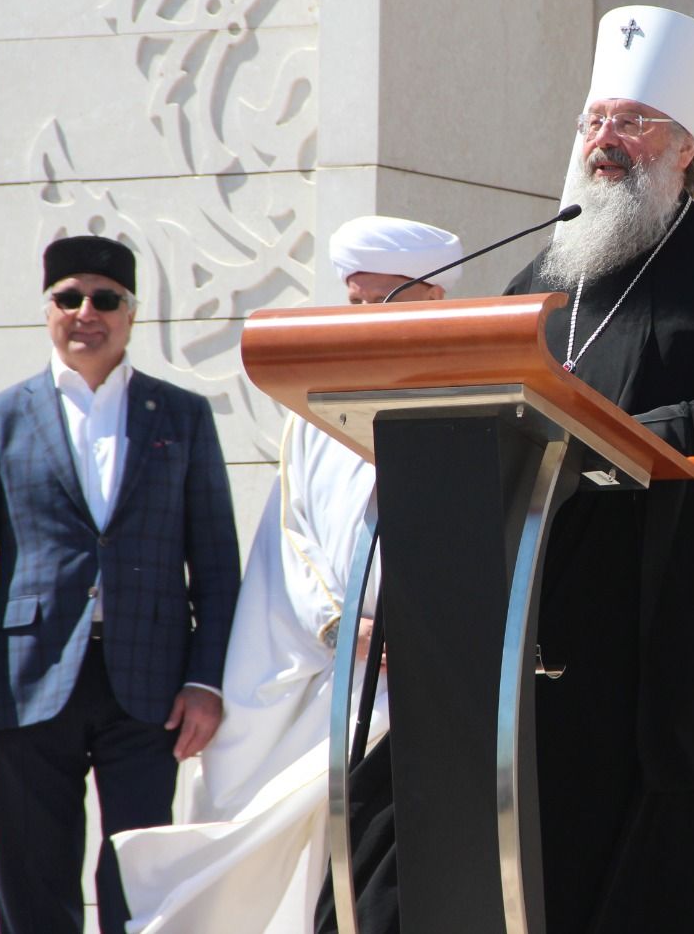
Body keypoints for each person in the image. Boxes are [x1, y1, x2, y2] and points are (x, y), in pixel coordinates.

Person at [503, 4, 694, 933]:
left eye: (631, 123)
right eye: (595, 121)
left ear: (686, 150)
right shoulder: (538, 279)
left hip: (655, 643)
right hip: (533, 630)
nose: (605, 140)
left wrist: (624, 434)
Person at [110, 217, 463, 933]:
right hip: (330, 679)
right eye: (353, 303)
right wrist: (343, 627)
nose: (359, 320)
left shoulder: (474, 395)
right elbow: (290, 543)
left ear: (430, 299)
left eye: (378, 303)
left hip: (429, 688)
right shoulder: (318, 408)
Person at [0, 235, 241, 934]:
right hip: (28, 680)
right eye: (68, 298)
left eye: (105, 299)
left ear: (131, 314)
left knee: (142, 881)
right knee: (33, 882)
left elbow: (217, 564)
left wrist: (207, 680)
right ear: (47, 310)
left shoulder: (182, 418)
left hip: (151, 689)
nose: (85, 312)